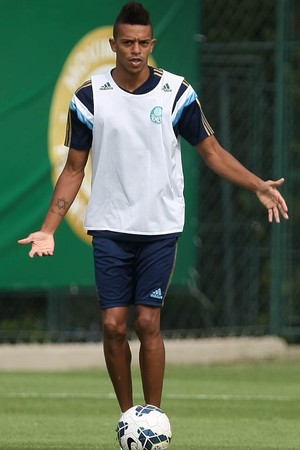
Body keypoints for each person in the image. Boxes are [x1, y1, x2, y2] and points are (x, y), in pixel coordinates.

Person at [18, 2, 288, 415]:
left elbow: (212, 152)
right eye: (127, 42)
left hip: (160, 226)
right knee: (112, 327)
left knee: (147, 323)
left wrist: (257, 185)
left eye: (143, 42)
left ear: (152, 44)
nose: (135, 50)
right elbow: (74, 168)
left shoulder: (176, 92)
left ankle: (153, 419)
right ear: (113, 44)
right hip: (109, 225)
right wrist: (49, 228)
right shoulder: (90, 96)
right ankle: (129, 418)